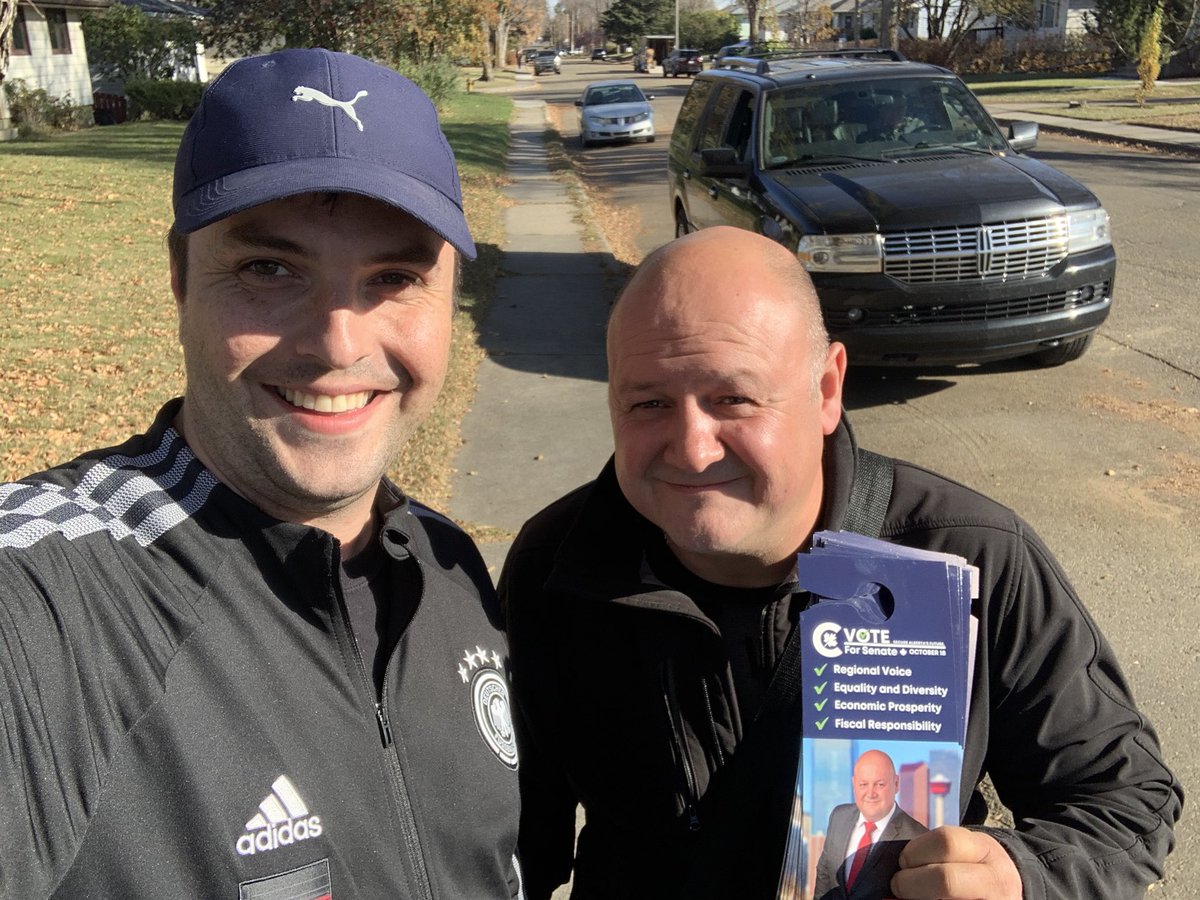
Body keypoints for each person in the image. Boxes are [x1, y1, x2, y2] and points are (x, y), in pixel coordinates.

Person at [499, 226, 1181, 900]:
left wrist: (1020, 875)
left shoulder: (966, 555)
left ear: (827, 390)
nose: (692, 448)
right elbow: (514, 839)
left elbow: (1124, 801)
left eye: (732, 398)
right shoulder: (555, 570)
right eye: (648, 402)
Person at [0, 49, 523, 899]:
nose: (338, 345)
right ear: (179, 282)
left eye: (394, 277)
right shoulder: (56, 603)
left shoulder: (449, 568)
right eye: (268, 270)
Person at [813, 750, 929, 900]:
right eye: (863, 784)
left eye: (879, 784)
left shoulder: (918, 837)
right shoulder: (839, 816)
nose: (870, 793)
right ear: (854, 784)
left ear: (896, 784)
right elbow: (824, 871)